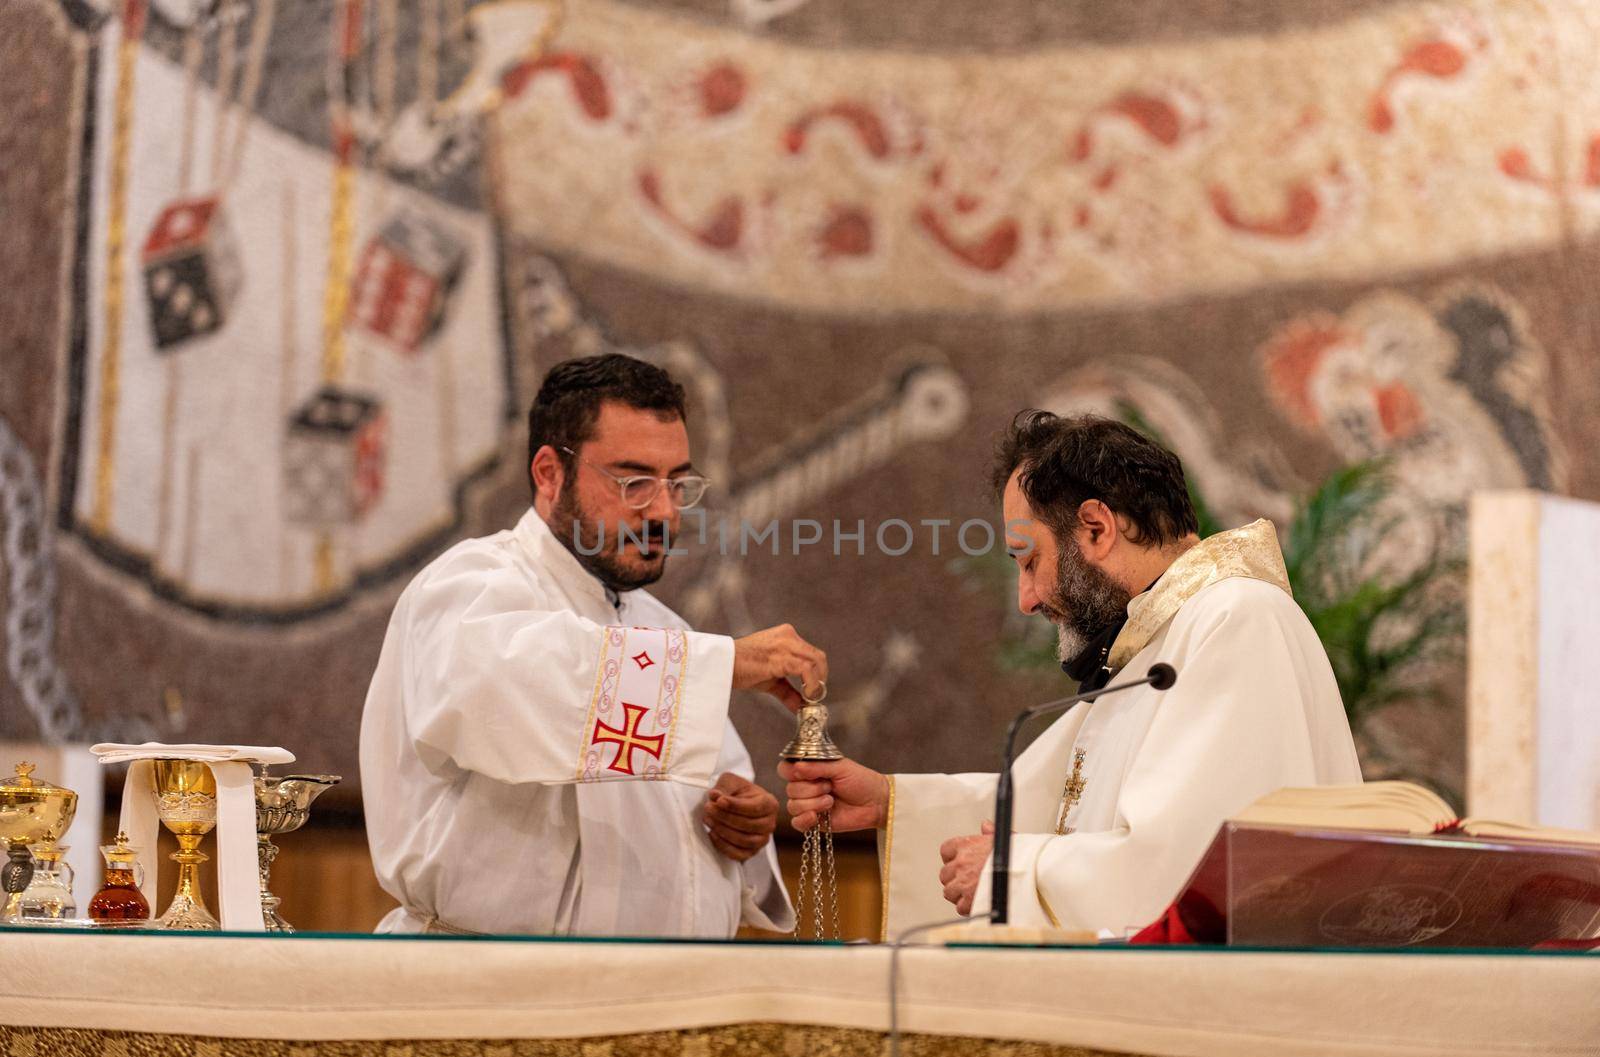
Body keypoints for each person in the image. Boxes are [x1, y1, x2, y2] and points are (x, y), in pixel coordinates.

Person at [781, 411, 1361, 935]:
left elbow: (1201, 868)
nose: (1026, 600)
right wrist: (889, 802)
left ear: (1096, 528)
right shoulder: (1152, 643)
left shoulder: (1234, 619)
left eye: (1030, 560)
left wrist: (1014, 870)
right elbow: (1057, 803)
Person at [362, 354, 825, 936]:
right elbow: (510, 690)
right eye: (634, 482)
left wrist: (744, 827)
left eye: (678, 483)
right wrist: (727, 662)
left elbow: (707, 786)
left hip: (665, 994)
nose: (662, 511)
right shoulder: (470, 586)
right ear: (550, 473)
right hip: (492, 990)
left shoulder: (667, 631)